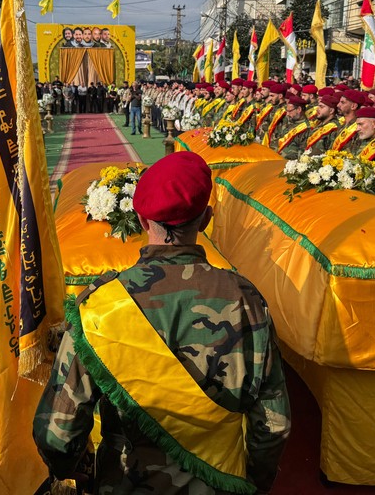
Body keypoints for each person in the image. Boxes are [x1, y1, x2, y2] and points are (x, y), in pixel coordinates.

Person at [34, 152, 290, 494]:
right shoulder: (246, 299)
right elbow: (274, 423)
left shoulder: (100, 307)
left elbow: (56, 434)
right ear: (206, 219)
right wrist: (254, 480)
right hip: (221, 480)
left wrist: (77, 472)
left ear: (140, 220)